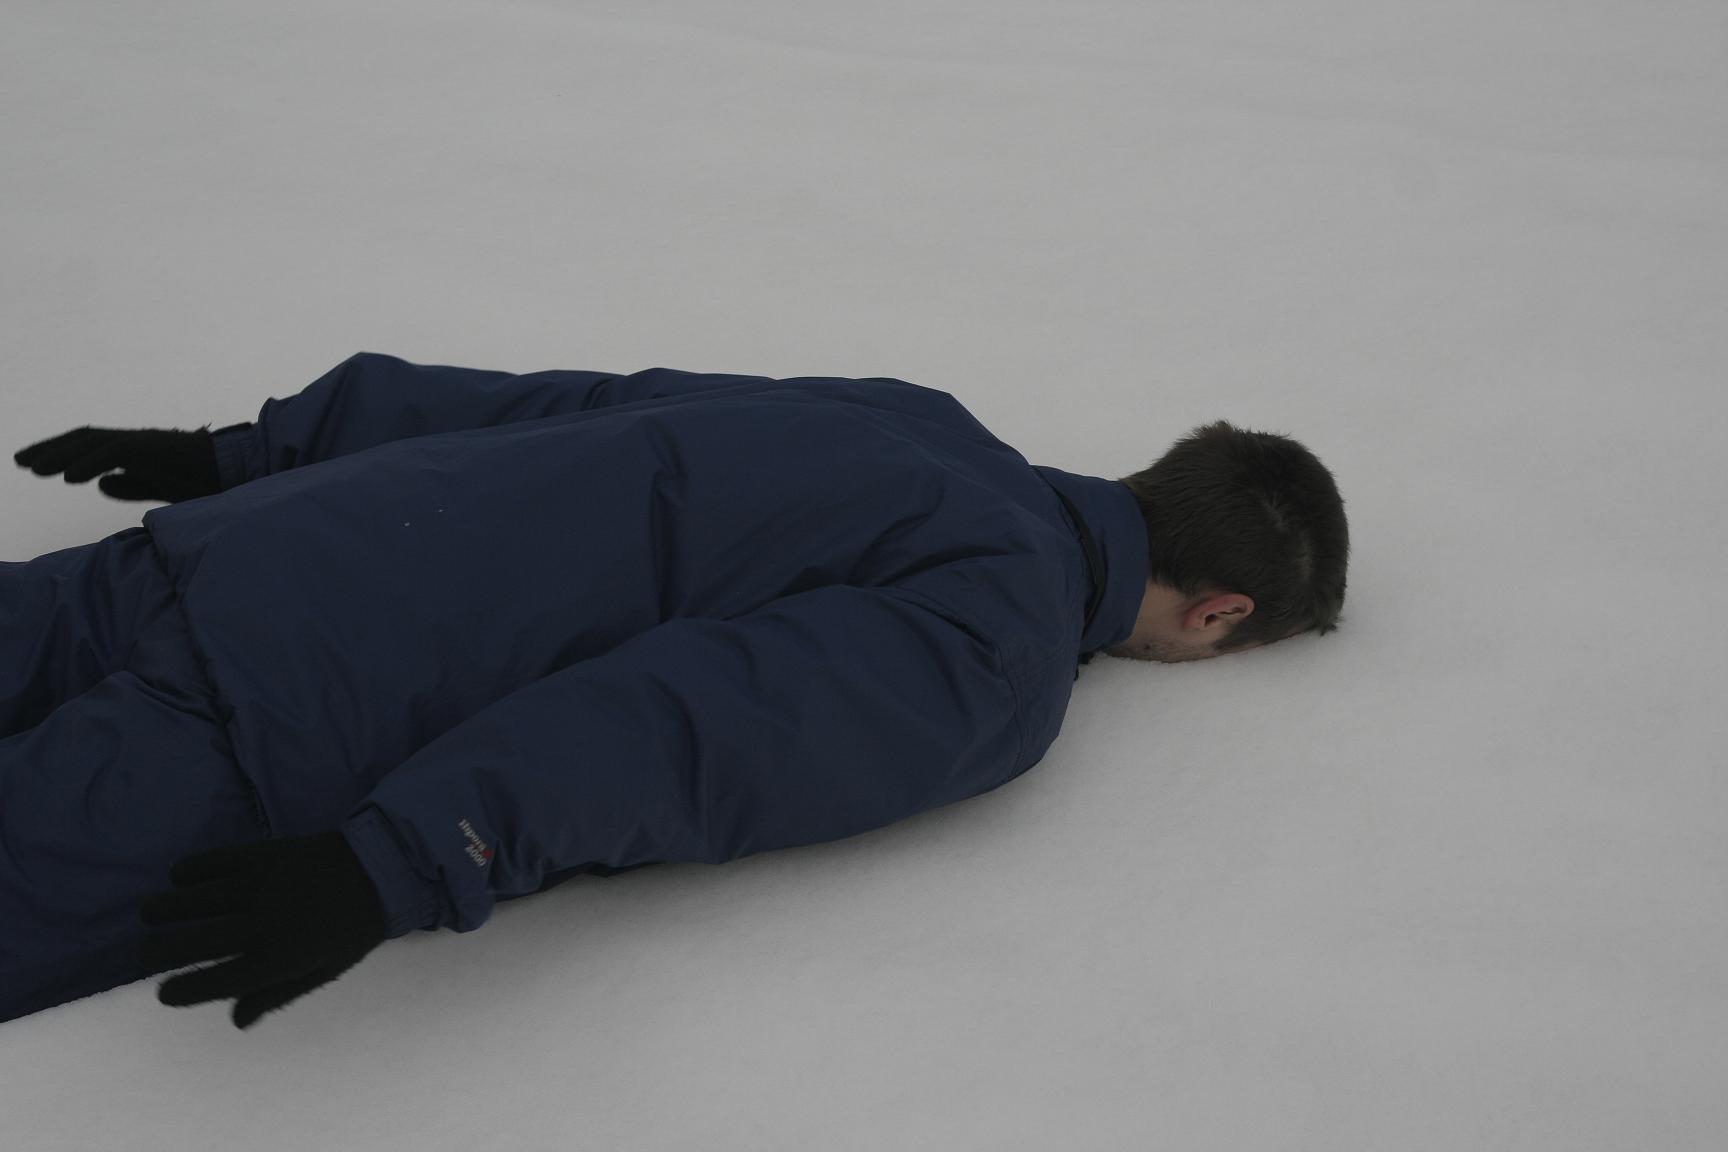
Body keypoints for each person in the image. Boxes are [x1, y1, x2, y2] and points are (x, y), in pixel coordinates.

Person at [1, 351, 1349, 1030]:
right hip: (267, 721)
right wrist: (405, 860)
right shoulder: (1002, 650)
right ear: (1219, 615)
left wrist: (250, 455)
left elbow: (588, 405)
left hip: (238, 552)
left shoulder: (920, 420)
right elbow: (683, 726)